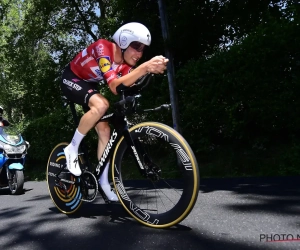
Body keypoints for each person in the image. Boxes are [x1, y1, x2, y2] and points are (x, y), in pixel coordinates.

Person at [60, 22, 169, 201]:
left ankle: (103, 182)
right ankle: (71, 148)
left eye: (143, 49)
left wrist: (150, 70)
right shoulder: (103, 48)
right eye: (136, 47)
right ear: (123, 41)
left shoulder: (125, 65)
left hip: (89, 84)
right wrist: (145, 67)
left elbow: (129, 85)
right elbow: (114, 86)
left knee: (105, 130)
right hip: (71, 77)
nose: (139, 54)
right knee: (102, 105)